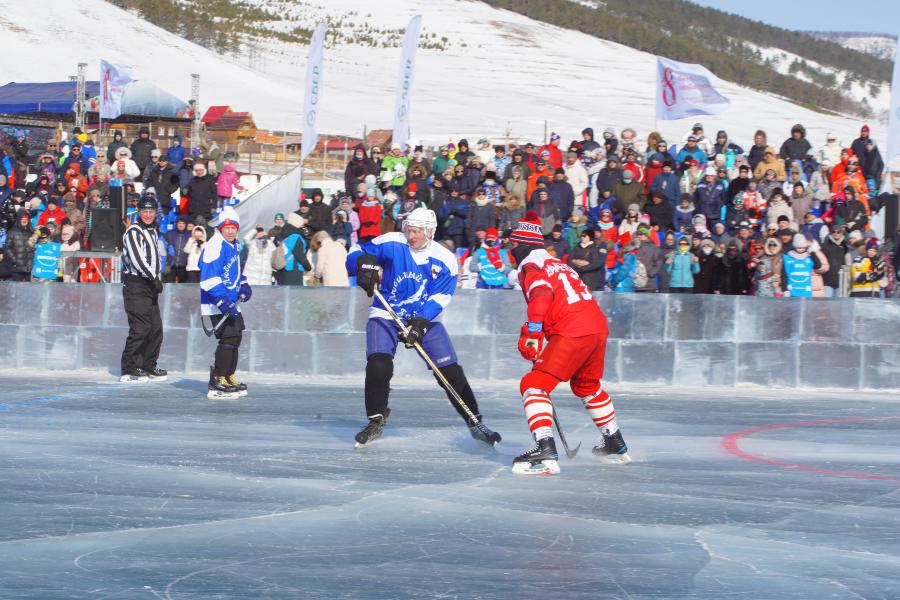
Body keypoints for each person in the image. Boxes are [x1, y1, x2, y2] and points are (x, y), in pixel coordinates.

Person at [346, 208, 500, 448]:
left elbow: (441, 295)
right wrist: (360, 264)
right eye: (409, 230)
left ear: (430, 231)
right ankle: (375, 418)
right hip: (386, 312)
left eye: (417, 231)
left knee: (449, 371)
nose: (411, 236)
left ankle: (475, 421)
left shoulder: (444, 258)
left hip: (423, 318)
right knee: (378, 364)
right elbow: (357, 250)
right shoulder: (392, 242)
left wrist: (421, 321)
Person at [508, 212, 628, 475]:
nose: (510, 250)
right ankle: (614, 441)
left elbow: (541, 294)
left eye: (512, 245)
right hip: (595, 327)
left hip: (572, 330)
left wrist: (534, 330)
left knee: (534, 384)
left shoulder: (531, 265)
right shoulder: (559, 264)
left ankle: (545, 450)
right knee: (587, 386)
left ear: (521, 244)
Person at [200, 206, 251, 399]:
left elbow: (233, 271)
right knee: (228, 338)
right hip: (216, 302)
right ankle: (217, 379)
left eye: (233, 227)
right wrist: (222, 300)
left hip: (231, 301)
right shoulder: (216, 245)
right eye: (226, 227)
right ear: (221, 228)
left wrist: (244, 284)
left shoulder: (234, 245)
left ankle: (229, 375)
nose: (230, 231)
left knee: (236, 336)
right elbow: (209, 278)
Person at [120, 196, 166, 383]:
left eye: (151, 211)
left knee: (156, 328)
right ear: (139, 212)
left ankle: (148, 364)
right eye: (145, 211)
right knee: (140, 328)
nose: (148, 215)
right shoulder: (133, 232)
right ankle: (129, 367)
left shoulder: (153, 232)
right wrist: (153, 278)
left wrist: (157, 278)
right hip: (136, 284)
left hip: (149, 285)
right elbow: (138, 260)